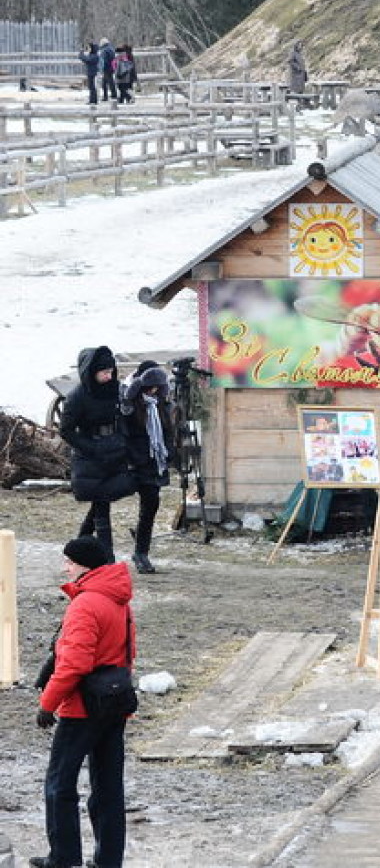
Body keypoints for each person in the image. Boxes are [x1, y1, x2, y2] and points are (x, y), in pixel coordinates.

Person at [32, 536, 135, 868]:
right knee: (107, 787)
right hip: (114, 703)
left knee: (60, 782)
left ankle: (62, 858)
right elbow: (126, 652)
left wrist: (48, 703)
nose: (65, 567)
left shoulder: (86, 604)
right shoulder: (118, 599)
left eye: (69, 561)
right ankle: (108, 860)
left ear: (83, 565)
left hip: (82, 707)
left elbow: (74, 664)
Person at [59, 346, 134, 559]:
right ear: (91, 372)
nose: (109, 376)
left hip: (115, 450)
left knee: (103, 499)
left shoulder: (116, 389)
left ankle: (79, 543)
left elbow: (126, 415)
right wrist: (91, 447)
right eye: (104, 373)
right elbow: (66, 430)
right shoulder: (77, 397)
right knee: (102, 504)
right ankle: (107, 556)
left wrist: (123, 440)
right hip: (90, 456)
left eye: (111, 371)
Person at [119, 361, 172, 574]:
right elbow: (124, 430)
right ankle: (87, 542)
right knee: (101, 502)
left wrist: (168, 454)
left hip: (152, 464)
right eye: (150, 387)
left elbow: (167, 432)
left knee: (150, 508)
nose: (153, 392)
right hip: (133, 463)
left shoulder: (161, 404)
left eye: (157, 388)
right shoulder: (129, 403)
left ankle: (141, 553)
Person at [97, 38, 117, 103]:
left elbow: (103, 60)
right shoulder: (111, 48)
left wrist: (101, 68)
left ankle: (111, 96)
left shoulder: (104, 50)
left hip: (106, 68)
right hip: (111, 67)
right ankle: (109, 95)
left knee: (108, 82)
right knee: (107, 82)